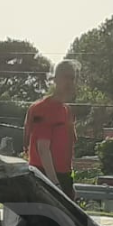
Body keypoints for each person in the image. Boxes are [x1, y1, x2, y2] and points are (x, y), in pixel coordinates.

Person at [24, 59, 79, 199]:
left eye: (72, 78)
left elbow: (66, 151)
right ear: (55, 79)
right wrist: (55, 184)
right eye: (65, 77)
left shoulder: (67, 110)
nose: (69, 82)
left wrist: (68, 183)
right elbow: (43, 149)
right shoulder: (42, 108)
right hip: (45, 178)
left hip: (63, 177)